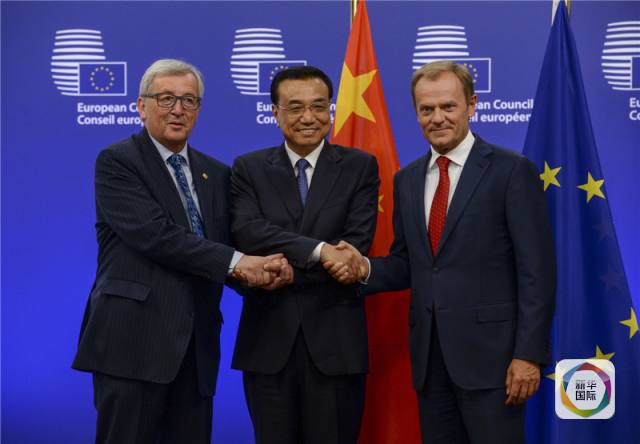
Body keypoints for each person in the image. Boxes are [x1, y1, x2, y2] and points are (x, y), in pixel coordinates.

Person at [324, 61, 556, 444]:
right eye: (426, 109)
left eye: (448, 106)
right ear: (416, 113)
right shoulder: (407, 180)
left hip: (494, 363)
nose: (437, 118)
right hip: (430, 363)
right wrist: (362, 267)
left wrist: (528, 355)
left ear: (472, 105)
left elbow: (537, 272)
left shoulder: (511, 171)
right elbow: (408, 263)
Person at [72, 59, 291, 444]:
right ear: (141, 106)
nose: (178, 109)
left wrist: (265, 273)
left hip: (196, 347)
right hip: (132, 344)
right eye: (166, 98)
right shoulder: (118, 161)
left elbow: (223, 247)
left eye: (189, 100)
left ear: (199, 110)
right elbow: (155, 236)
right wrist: (240, 263)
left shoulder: (217, 173)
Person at [229, 66, 380, 444]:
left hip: (336, 343)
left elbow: (354, 246)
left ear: (331, 109)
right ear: (275, 113)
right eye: (295, 107)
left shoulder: (360, 166)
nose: (308, 117)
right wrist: (319, 250)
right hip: (268, 344)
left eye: (318, 106)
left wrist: (292, 271)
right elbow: (250, 232)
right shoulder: (248, 168)